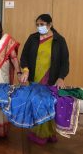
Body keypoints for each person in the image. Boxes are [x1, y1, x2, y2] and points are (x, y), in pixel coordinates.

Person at [20, 13, 69, 145]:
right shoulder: (33, 38)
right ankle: (38, 133)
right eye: (37, 25)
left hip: (51, 78)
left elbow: (65, 62)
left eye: (42, 24)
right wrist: (25, 70)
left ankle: (48, 133)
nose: (39, 27)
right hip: (34, 77)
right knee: (36, 103)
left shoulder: (59, 40)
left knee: (47, 103)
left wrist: (61, 78)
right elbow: (24, 56)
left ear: (50, 25)